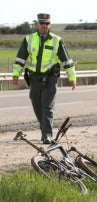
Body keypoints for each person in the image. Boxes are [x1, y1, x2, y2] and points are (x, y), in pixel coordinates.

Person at [12, 13, 76, 144]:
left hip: (50, 78)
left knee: (47, 107)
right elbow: (20, 59)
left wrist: (72, 77)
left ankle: (47, 135)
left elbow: (67, 60)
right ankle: (45, 129)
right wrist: (15, 74)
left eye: (47, 23)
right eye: (42, 23)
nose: (44, 26)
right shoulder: (29, 39)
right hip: (34, 78)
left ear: (50, 25)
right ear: (37, 24)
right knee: (37, 105)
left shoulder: (57, 40)